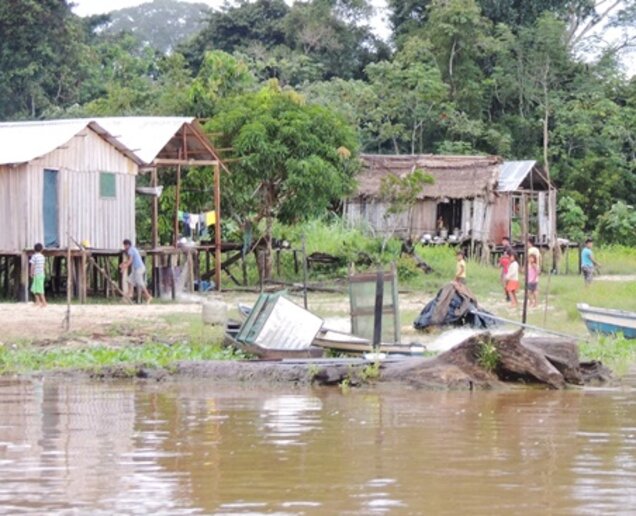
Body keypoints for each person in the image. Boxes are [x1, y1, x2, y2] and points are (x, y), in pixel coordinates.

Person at [30, 243, 47, 307]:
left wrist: (31, 272)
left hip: (37, 274)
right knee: (34, 288)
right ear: (41, 249)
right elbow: (43, 266)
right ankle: (37, 301)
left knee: (39, 289)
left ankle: (44, 303)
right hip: (41, 274)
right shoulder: (42, 256)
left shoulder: (34, 256)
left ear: (34, 249)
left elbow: (32, 266)